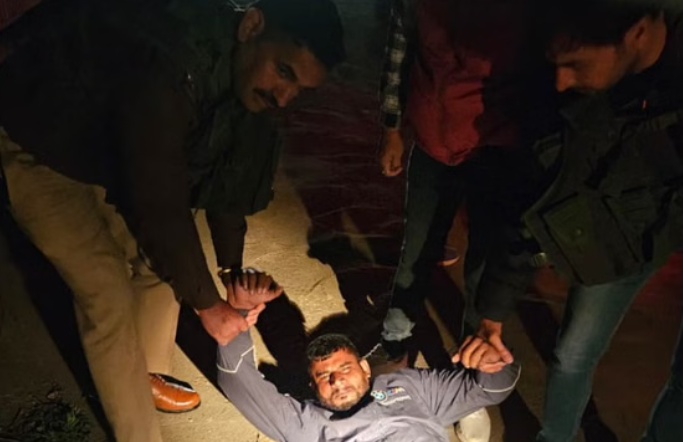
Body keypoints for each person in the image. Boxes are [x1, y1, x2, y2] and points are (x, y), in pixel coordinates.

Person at [0, 0, 344, 440]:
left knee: (161, 268)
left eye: (299, 89)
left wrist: (231, 273)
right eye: (283, 71)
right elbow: (159, 200)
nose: (284, 97)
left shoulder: (243, 77)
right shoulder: (172, 62)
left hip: (101, 148)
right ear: (252, 26)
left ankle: (143, 377)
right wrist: (208, 306)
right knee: (105, 291)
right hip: (38, 138)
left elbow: (229, 180)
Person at [456, 1, 683, 441]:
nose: (561, 81)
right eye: (554, 64)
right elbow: (533, 200)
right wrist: (493, 315)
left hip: (657, 227)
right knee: (574, 353)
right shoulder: (561, 96)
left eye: (576, 64)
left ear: (638, 33)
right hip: (608, 239)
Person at [376, 0, 555, 439]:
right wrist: (392, 128)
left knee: (482, 270)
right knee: (416, 250)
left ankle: (469, 384)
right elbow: (399, 53)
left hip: (496, 148)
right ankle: (395, 347)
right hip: (431, 143)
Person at [216, 271, 521, 442]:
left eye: (344, 368)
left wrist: (492, 360)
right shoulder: (307, 425)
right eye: (323, 376)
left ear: (364, 367)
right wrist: (239, 314)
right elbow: (236, 381)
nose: (336, 380)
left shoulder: (408, 386)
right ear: (312, 387)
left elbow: (492, 389)